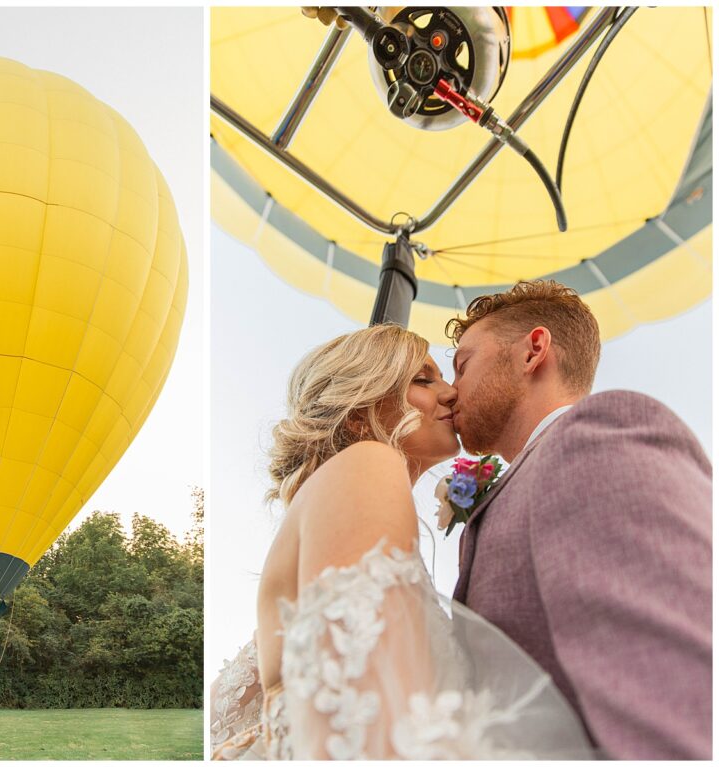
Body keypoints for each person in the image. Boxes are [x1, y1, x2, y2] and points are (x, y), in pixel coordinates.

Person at [210, 323, 593, 759]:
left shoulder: (341, 492)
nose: (450, 392)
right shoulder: (369, 461)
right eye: (423, 379)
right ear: (358, 412)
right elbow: (369, 717)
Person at [446, 280, 711, 759]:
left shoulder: (597, 436)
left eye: (462, 365)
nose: (450, 390)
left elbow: (686, 697)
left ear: (533, 351)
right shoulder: (533, 475)